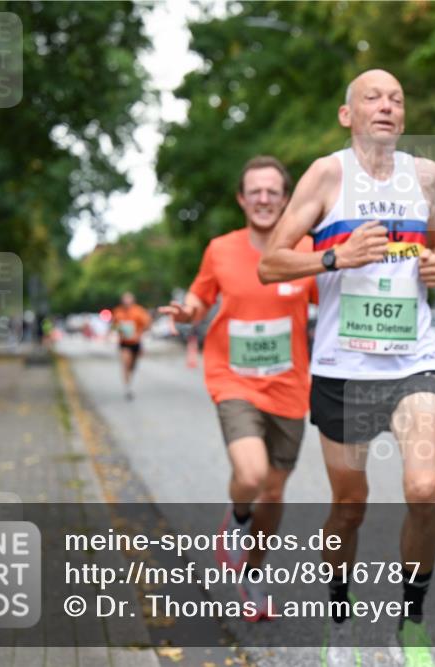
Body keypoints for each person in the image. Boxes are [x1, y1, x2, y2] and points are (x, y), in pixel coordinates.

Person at [258, 69, 435, 667]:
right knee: (350, 506)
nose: (387, 106)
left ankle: (411, 623)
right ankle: (339, 617)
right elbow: (271, 263)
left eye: (397, 97)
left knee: (422, 489)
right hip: (343, 368)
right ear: (349, 115)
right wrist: (334, 255)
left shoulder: (426, 176)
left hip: (413, 360)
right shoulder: (326, 175)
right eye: (373, 97)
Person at [161, 156, 317, 621]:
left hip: (290, 386)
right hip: (234, 379)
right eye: (256, 191)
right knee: (250, 477)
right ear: (241, 199)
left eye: (273, 191)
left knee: (273, 492)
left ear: (286, 198)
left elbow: (332, 303)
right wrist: (188, 311)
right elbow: (199, 295)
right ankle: (236, 521)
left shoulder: (305, 249)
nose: (264, 199)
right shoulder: (221, 249)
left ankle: (252, 572)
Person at [112, 292, 152, 400]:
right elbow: (114, 326)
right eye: (125, 300)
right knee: (125, 363)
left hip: (136, 342)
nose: (127, 302)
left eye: (129, 300)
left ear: (133, 301)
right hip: (124, 342)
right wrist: (120, 329)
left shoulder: (139, 311)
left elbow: (147, 325)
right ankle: (127, 388)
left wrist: (139, 333)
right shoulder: (118, 311)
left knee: (132, 366)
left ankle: (129, 380)